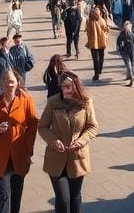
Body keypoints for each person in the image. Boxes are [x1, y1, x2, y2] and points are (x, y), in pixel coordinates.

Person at [38, 71, 100, 213]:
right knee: (63, 198)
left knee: (75, 197)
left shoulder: (86, 102)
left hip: (77, 157)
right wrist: (54, 141)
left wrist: (81, 141)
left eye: (68, 86)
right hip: (56, 157)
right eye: (62, 86)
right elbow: (42, 127)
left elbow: (93, 127)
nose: (64, 90)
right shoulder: (53, 102)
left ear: (76, 86)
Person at [0, 69, 39, 213]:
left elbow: (33, 125)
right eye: (5, 80)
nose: (9, 84)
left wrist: (29, 151)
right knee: (3, 196)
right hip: (0, 156)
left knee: (16, 194)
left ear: (18, 82)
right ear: (1, 83)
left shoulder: (26, 100)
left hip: (19, 154)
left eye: (11, 81)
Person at [85, 6, 109, 83]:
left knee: (96, 59)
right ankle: (98, 71)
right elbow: (106, 29)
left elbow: (88, 31)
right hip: (102, 41)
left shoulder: (90, 21)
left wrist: (89, 37)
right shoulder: (102, 20)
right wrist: (106, 36)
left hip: (93, 42)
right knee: (101, 58)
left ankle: (96, 74)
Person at [116, 20, 134, 87]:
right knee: (129, 65)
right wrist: (119, 48)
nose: (127, 28)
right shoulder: (123, 34)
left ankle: (130, 77)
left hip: (130, 52)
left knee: (130, 65)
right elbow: (118, 43)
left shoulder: (131, 34)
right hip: (126, 52)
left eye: (128, 27)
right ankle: (130, 78)